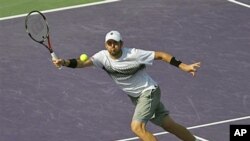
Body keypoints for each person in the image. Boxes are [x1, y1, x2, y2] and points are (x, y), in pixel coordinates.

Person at [53, 30, 201, 141]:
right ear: (106, 45)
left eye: (115, 43)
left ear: (121, 44)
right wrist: (64, 62)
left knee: (137, 127)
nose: (112, 46)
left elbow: (161, 55)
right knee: (169, 125)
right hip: (139, 97)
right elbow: (82, 62)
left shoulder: (133, 54)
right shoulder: (101, 57)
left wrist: (183, 66)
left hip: (148, 92)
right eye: (109, 43)